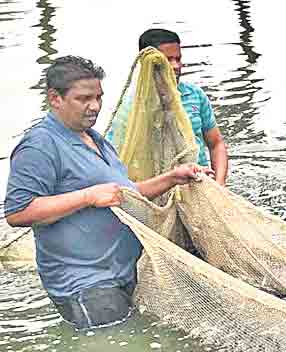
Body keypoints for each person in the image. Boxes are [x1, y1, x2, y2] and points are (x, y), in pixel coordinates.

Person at [5, 56, 209, 330]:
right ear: (55, 98)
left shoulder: (95, 139)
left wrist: (172, 178)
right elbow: (18, 212)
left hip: (125, 273)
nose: (95, 107)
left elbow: (122, 194)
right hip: (86, 286)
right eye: (84, 99)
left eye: (99, 97)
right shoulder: (39, 146)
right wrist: (87, 197)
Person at [116, 28, 229, 184]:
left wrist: (220, 183)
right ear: (148, 63)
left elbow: (216, 144)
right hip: (158, 187)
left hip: (200, 183)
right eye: (167, 60)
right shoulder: (131, 108)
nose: (176, 66)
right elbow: (117, 157)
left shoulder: (195, 95)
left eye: (178, 59)